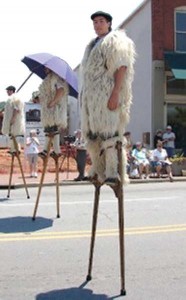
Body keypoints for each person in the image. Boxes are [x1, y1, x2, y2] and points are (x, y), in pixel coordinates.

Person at [80, 11, 136, 185]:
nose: (97, 25)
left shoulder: (116, 40)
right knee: (93, 134)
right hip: (92, 98)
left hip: (107, 94)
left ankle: (112, 171)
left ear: (109, 23)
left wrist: (115, 94)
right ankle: (98, 167)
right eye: (95, 22)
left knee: (110, 133)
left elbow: (122, 67)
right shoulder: (91, 45)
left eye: (101, 21)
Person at [38, 67, 69, 159]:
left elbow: (61, 91)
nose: (45, 69)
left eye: (47, 68)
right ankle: (53, 151)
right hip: (49, 111)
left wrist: (53, 102)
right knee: (50, 130)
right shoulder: (48, 81)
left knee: (52, 129)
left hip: (54, 110)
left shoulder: (56, 79)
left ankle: (51, 151)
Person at [2, 85, 25, 153]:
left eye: (8, 91)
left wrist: (13, 118)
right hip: (12, 120)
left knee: (14, 135)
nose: (7, 92)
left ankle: (15, 149)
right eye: (7, 91)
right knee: (12, 135)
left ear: (12, 91)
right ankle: (15, 149)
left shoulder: (15, 98)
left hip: (15, 120)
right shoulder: (11, 99)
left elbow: (16, 109)